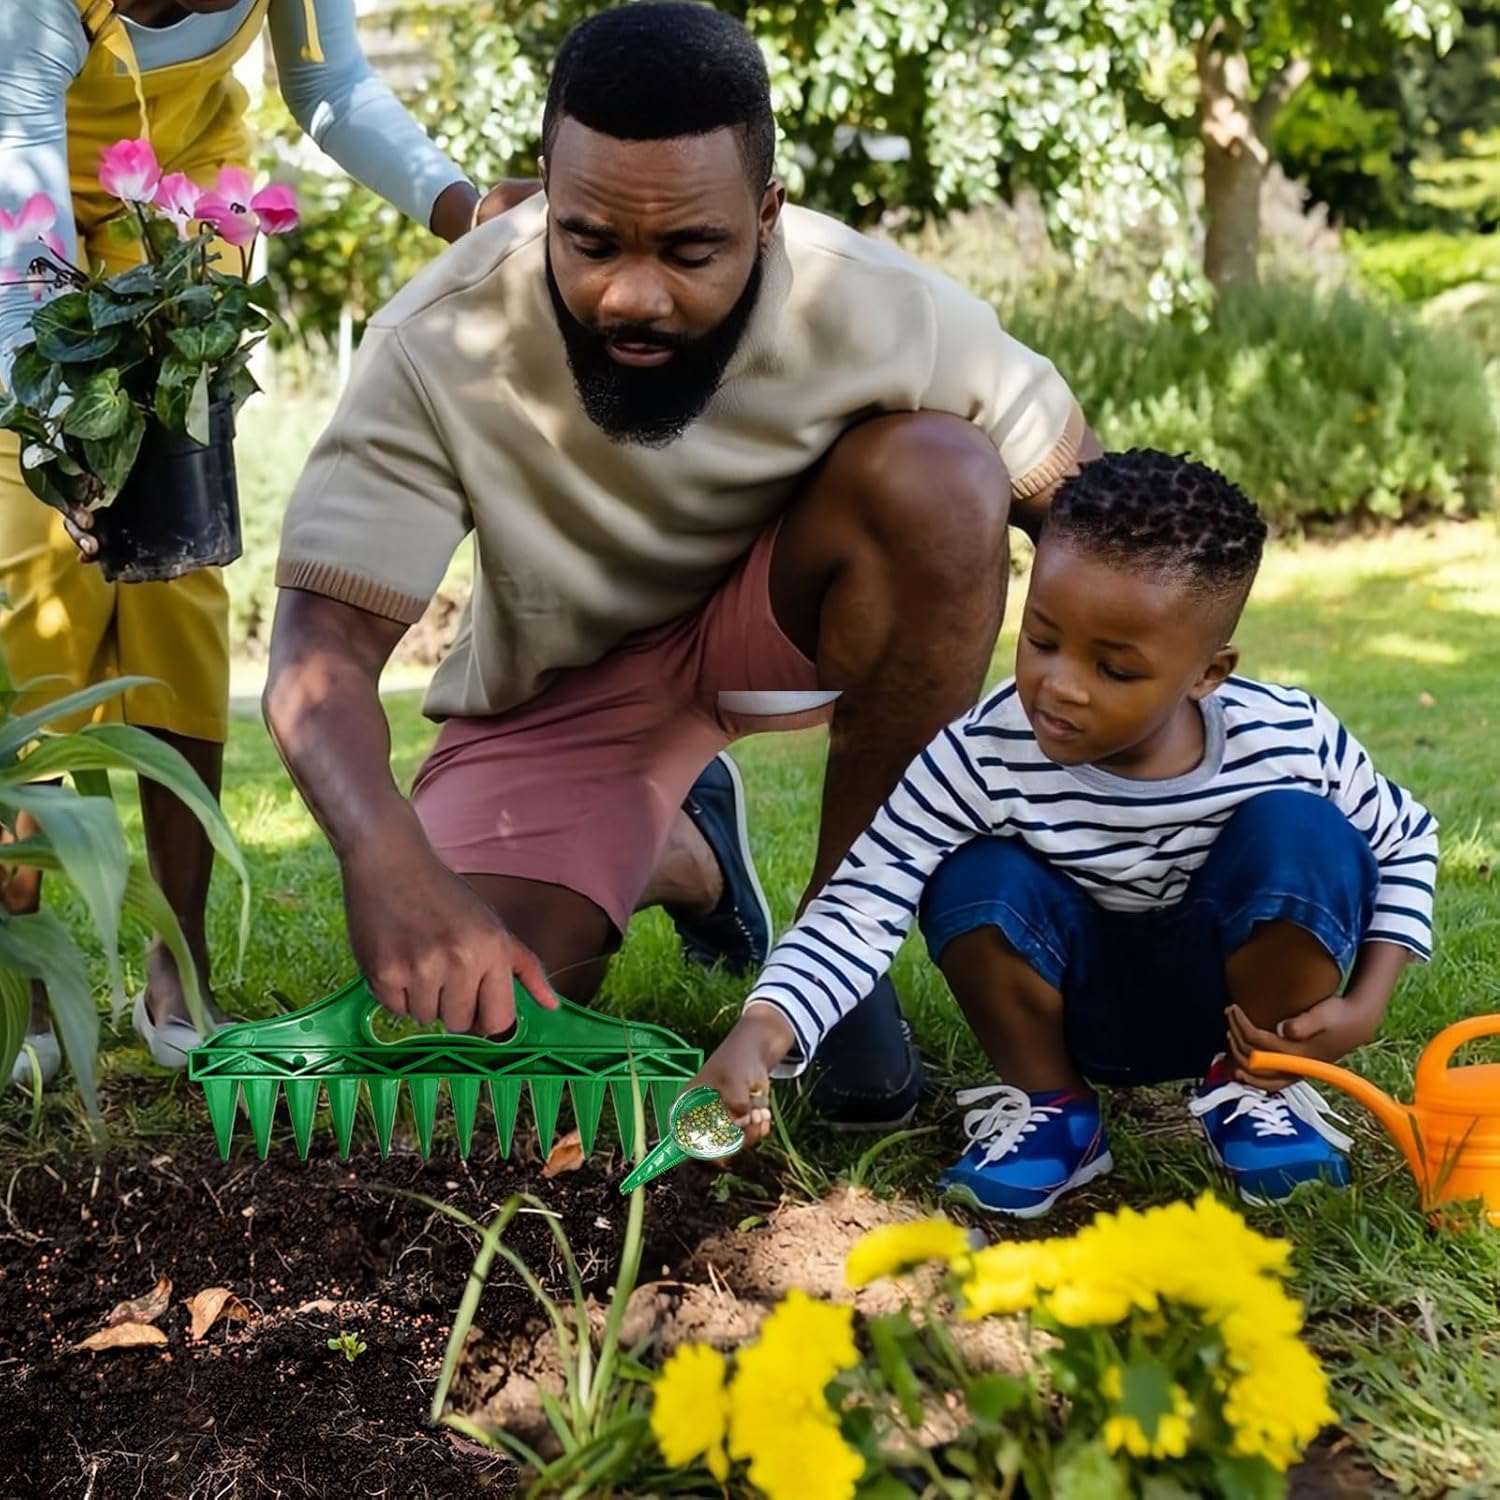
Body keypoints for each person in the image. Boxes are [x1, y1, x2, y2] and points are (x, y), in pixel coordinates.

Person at [263, 3, 1101, 1131]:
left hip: (784, 627)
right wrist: (387, 860)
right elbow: (320, 650)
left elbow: (1103, 520)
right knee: (469, 1028)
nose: (633, 296)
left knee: (945, 478)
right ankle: (682, 846)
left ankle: (837, 952)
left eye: (691, 251)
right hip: (565, 688)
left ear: (766, 216)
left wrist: (1199, 761)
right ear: (547, 199)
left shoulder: (883, 303)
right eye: (591, 242)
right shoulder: (441, 336)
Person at [0, 0, 534, 1090]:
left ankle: (179, 964)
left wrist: (467, 208)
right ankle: (27, 977)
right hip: (26, 237)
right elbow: (22, 202)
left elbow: (330, 85)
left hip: (180, 226)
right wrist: (56, 429)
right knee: (31, 590)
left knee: (179, 583)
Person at [701, 449, 1437, 1211]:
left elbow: (1407, 840)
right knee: (973, 873)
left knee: (1306, 832)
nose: (1060, 686)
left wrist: (1365, 1004)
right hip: (1069, 1008)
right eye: (1042, 640)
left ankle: (1258, 1092)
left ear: (1207, 674)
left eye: (1114, 670)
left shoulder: (1288, 738)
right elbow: (861, 903)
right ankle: (1055, 1111)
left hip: (1240, 1013)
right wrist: (764, 1028)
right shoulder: (980, 755)